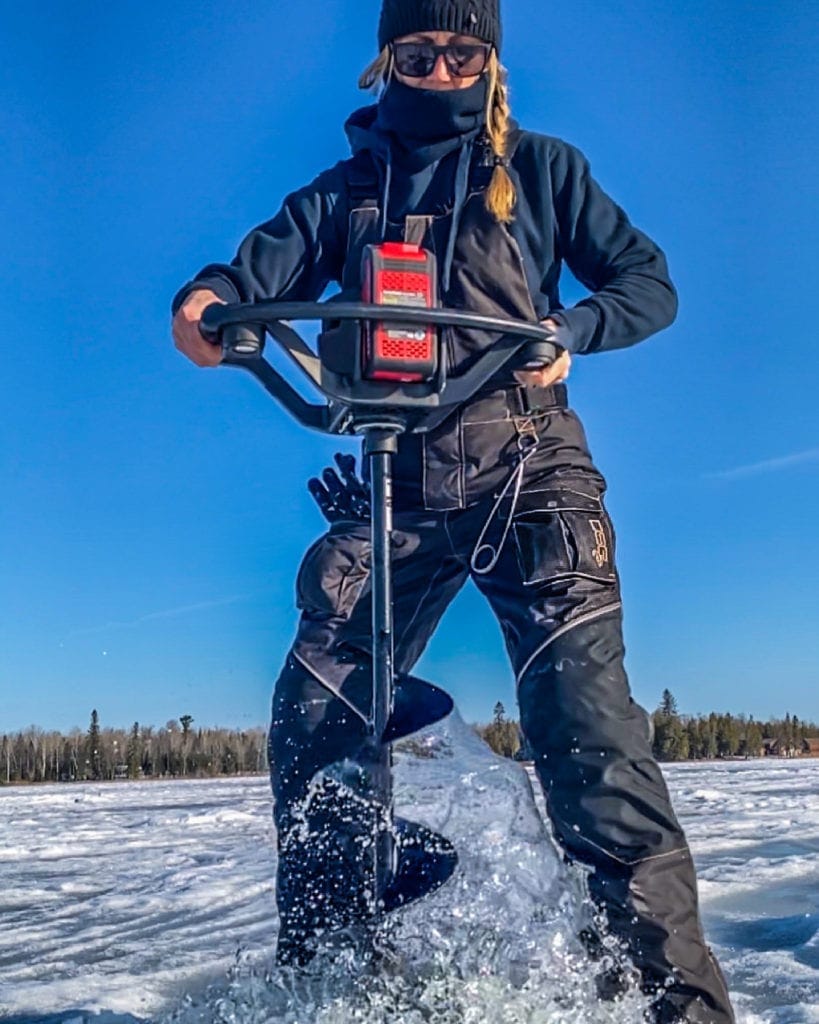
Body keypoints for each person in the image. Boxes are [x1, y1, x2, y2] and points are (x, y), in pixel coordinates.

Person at [172, 2, 736, 1020]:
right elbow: (244, 275)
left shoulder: (546, 169)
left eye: (462, 52)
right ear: (387, 59)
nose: (440, 70)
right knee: (319, 709)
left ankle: (673, 1003)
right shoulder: (345, 192)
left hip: (532, 467)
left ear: (490, 61)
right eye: (419, 53)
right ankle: (336, 984)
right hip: (399, 474)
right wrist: (209, 303)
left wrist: (574, 327)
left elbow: (649, 283)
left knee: (588, 738)